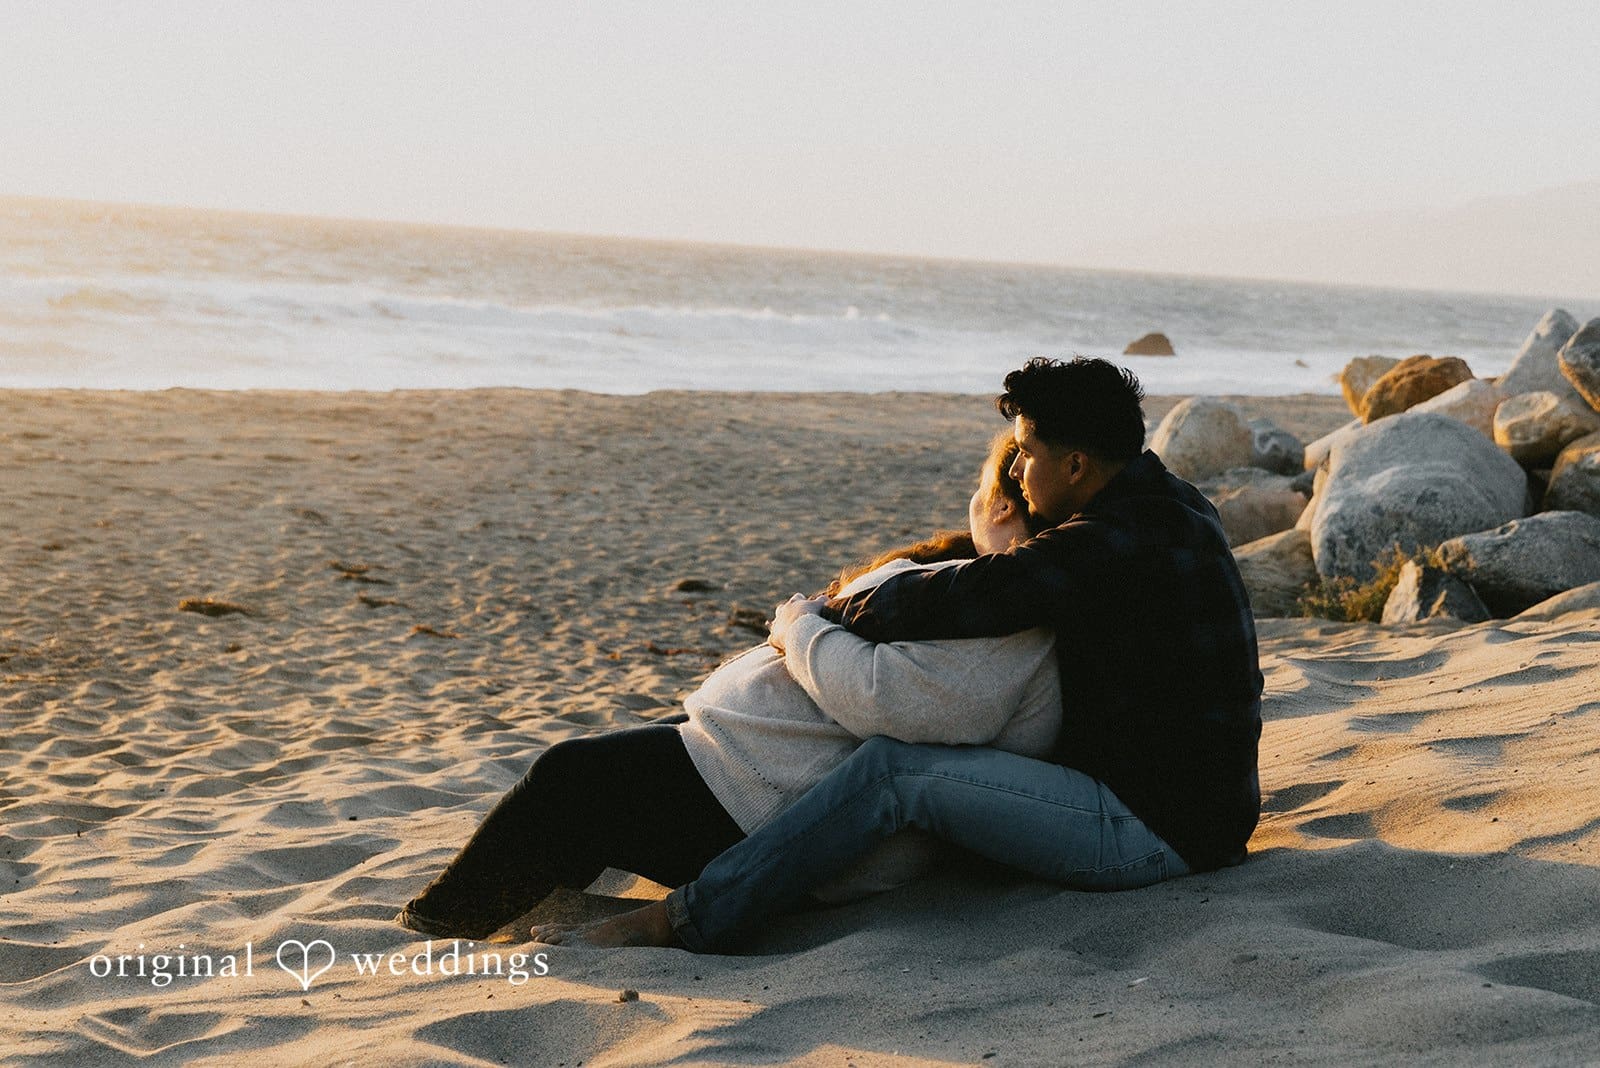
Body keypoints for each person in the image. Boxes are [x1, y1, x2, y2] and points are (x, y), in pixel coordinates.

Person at [533, 356, 1263, 952]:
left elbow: (978, 593)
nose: (1016, 473)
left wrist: (833, 613)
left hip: (1150, 830)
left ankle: (685, 920)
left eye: (1028, 454)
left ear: (1075, 465)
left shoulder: (1112, 541)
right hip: (1195, 809)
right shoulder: (1170, 504)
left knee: (895, 772)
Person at [395, 431, 1059, 940]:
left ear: (1002, 503)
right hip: (750, 761)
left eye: (981, 487)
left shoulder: (1010, 628)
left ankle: (432, 928)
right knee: (588, 795)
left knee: (565, 778)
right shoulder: (980, 584)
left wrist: (799, 630)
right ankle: (518, 901)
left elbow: (894, 705)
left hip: (771, 803)